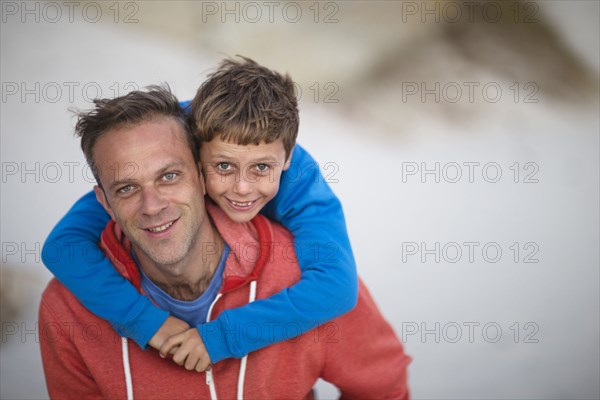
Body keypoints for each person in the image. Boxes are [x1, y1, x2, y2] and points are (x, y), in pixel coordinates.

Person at [39, 86, 411, 399]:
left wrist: (224, 336)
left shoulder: (298, 257)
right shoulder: (67, 308)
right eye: (126, 188)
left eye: (169, 175)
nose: (151, 205)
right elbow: (59, 247)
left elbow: (340, 296)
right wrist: (143, 321)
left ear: (198, 175)